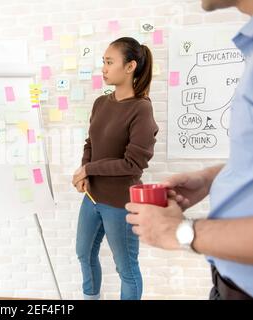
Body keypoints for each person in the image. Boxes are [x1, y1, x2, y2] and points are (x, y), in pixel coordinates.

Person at [125, 0, 253, 300]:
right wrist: (210, 179)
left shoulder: (141, 109)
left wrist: (180, 232)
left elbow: (132, 158)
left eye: (109, 61)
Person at [72, 37, 159, 300]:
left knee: (126, 269)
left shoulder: (141, 110)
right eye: (103, 62)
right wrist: (83, 170)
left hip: (120, 203)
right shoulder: (101, 102)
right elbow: (91, 142)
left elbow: (133, 164)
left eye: (110, 62)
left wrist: (89, 169)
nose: (104, 68)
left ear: (130, 66)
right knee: (83, 253)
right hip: (92, 197)